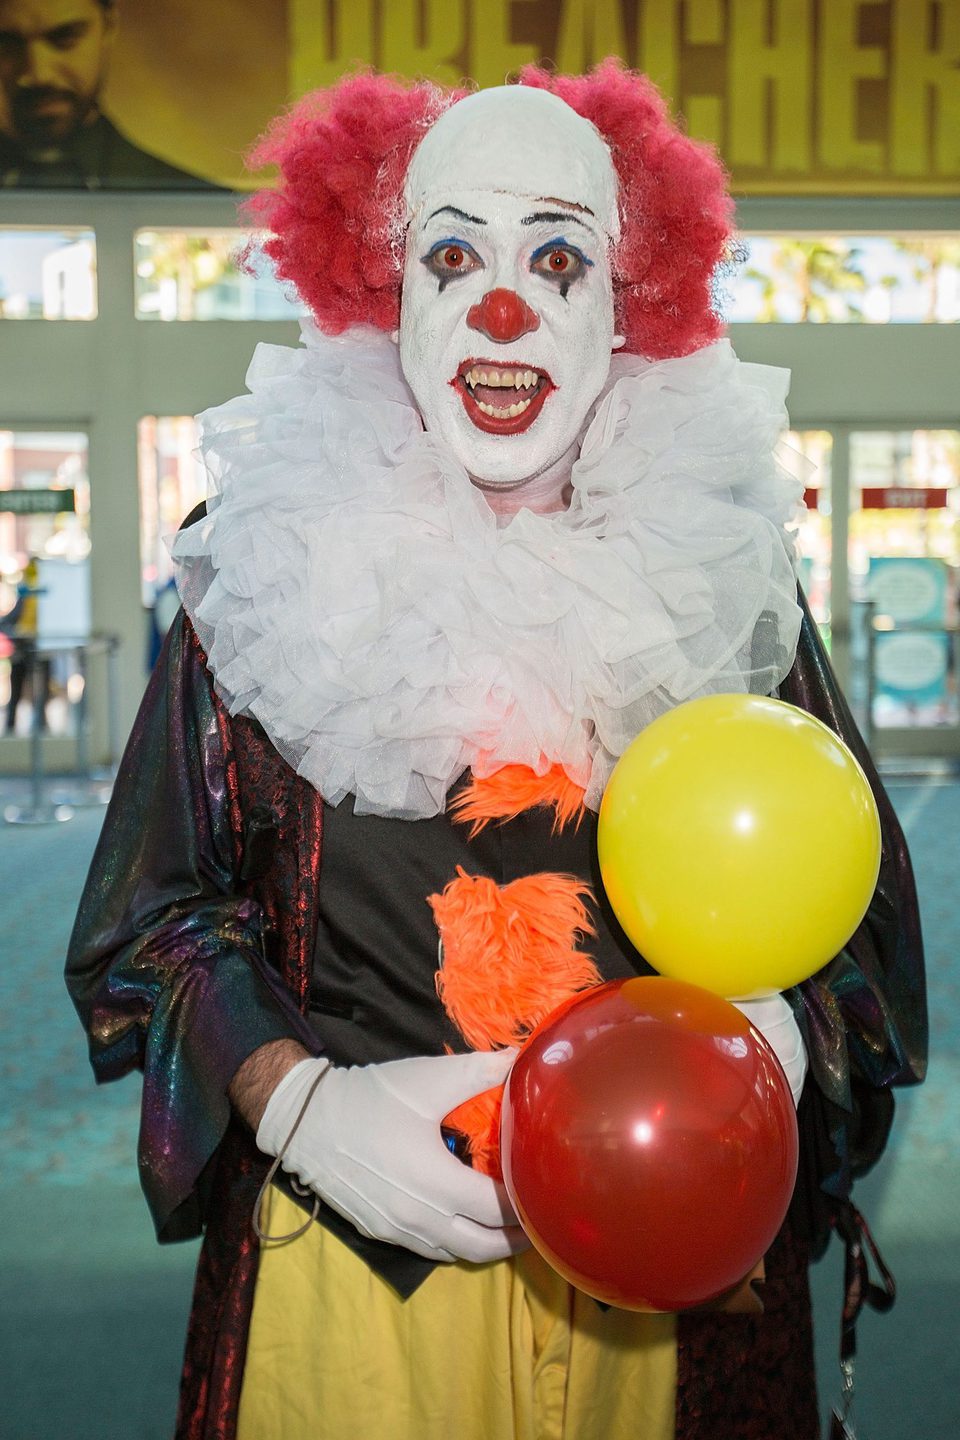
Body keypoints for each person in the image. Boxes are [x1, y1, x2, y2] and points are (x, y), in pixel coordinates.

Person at [66, 63, 926, 1440]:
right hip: (351, 1288)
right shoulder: (273, 568)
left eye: (558, 257)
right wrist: (298, 1110)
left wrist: (778, 1036)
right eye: (452, 252)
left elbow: (856, 919)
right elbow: (150, 920)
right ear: (385, 295)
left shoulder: (717, 577)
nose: (502, 304)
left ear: (625, 306)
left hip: (670, 1266)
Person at [0, 0, 217, 188]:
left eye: (65, 36)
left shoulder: (191, 201)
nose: (38, 74)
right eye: (6, 43)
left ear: (109, 25)